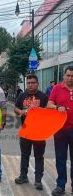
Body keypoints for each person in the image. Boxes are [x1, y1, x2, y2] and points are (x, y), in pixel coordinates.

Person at [14, 74, 48, 190]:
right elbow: (15, 108)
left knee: (39, 156)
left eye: (33, 82)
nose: (30, 85)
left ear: (37, 83)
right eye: (28, 83)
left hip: (39, 132)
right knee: (25, 155)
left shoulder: (43, 97)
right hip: (26, 131)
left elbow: (49, 112)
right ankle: (23, 176)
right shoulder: (22, 96)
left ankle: (38, 180)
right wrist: (21, 112)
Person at [47, 66, 73, 196]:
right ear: (64, 76)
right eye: (68, 75)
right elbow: (49, 104)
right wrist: (58, 107)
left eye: (72, 76)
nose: (70, 78)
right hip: (61, 130)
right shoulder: (57, 88)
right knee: (61, 159)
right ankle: (60, 185)